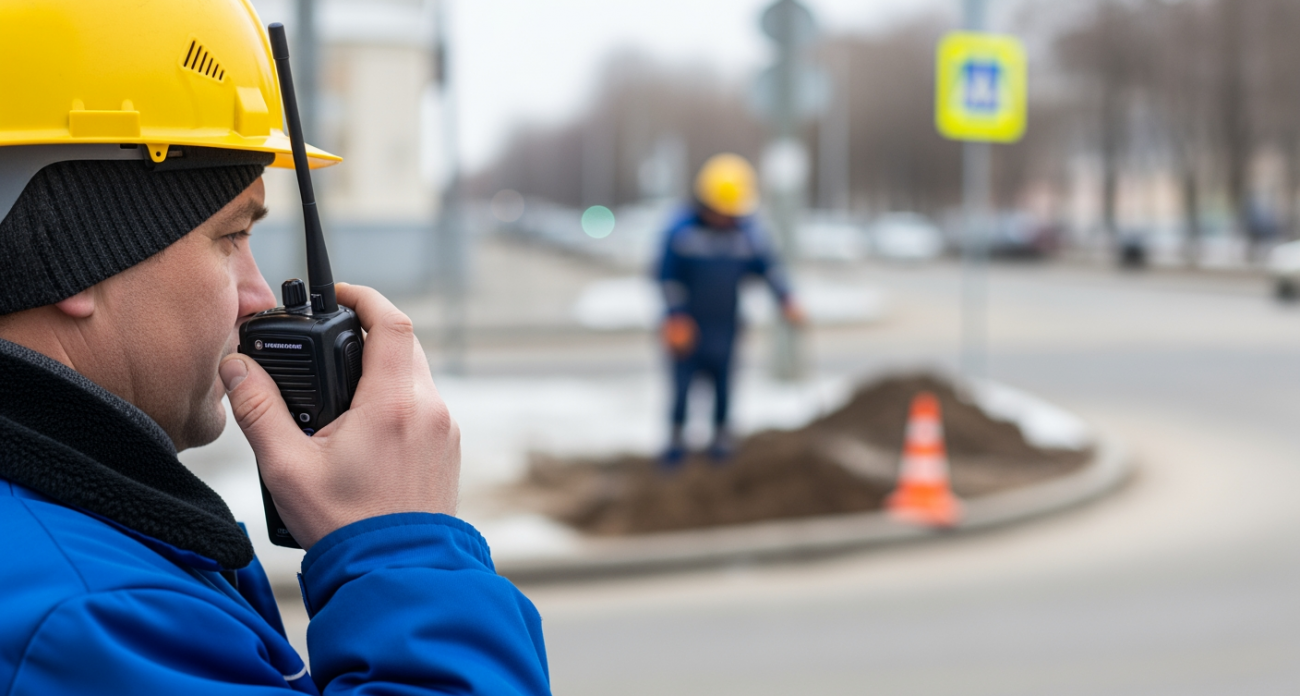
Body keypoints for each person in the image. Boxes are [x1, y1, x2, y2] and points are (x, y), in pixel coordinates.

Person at [0, 2, 549, 694]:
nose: (258, 296)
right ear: (77, 251)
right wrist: (404, 552)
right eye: (232, 237)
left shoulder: (74, 548)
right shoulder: (87, 620)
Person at [656, 154, 803, 466]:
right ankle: (675, 442)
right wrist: (675, 316)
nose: (726, 218)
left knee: (724, 388)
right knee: (682, 390)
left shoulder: (745, 234)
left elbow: (769, 269)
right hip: (688, 325)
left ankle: (721, 444)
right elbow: (666, 277)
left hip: (725, 325)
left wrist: (786, 299)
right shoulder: (682, 232)